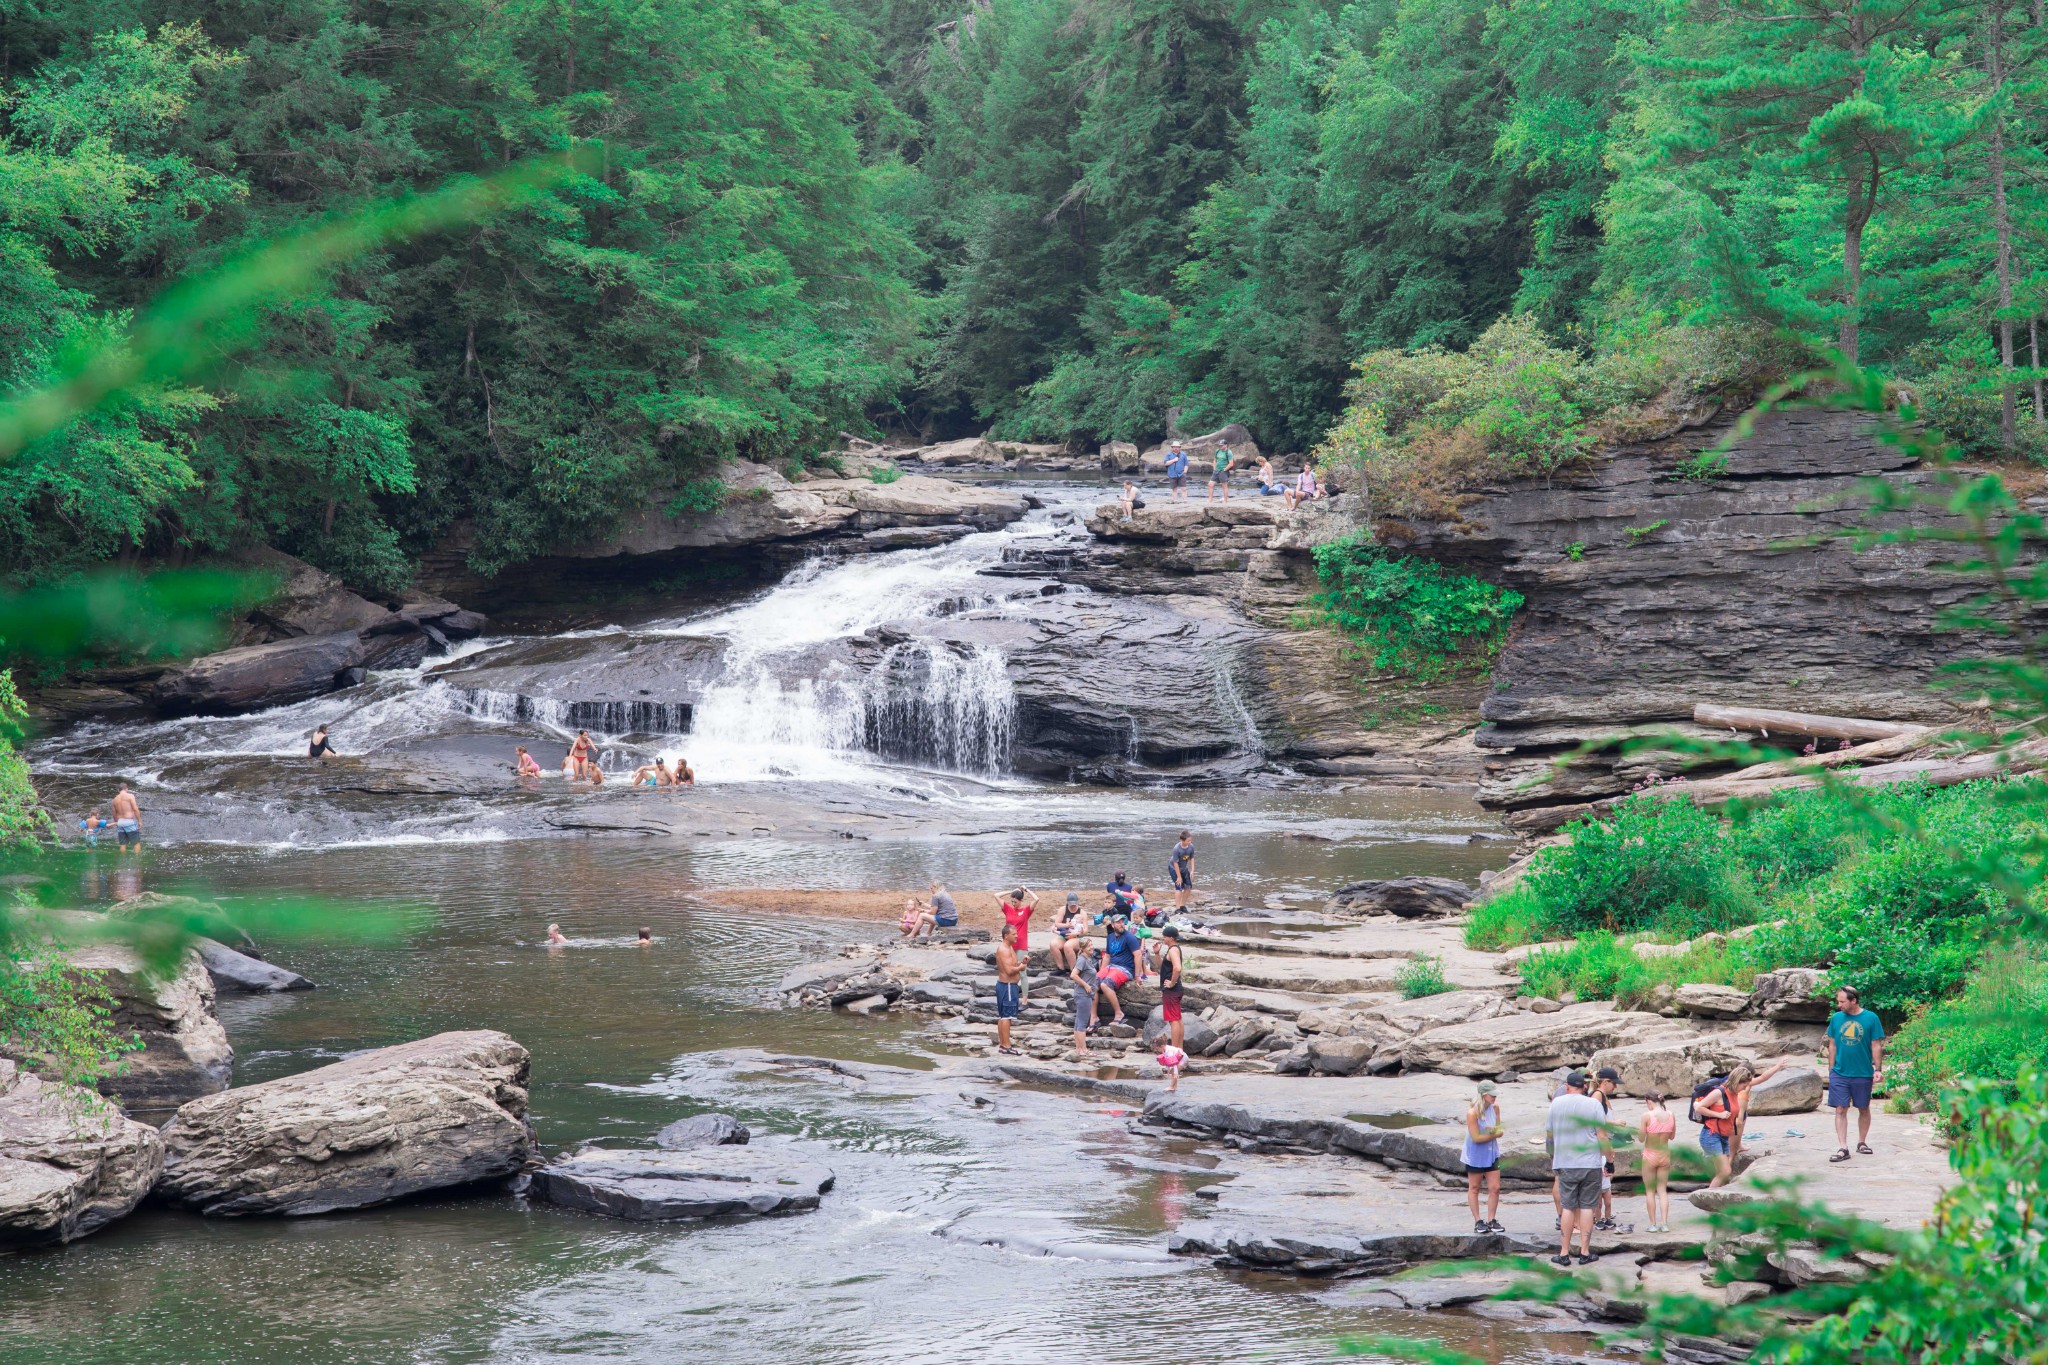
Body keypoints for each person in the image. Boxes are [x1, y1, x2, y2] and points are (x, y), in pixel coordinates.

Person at [1548, 1070, 1610, 1266]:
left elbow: (1550, 1131)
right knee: (1586, 1207)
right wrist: (1609, 1160)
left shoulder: (1556, 1103)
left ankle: (1564, 1253)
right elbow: (1602, 1135)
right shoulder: (1593, 1104)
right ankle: (1584, 1252)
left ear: (1567, 1087)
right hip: (1590, 1162)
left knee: (1567, 1207)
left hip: (1565, 1161)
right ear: (1584, 1087)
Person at [1824, 985, 1886, 1162]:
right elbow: (1833, 1044)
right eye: (1838, 1001)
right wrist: (1831, 1071)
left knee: (1863, 1107)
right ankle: (1843, 1147)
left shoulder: (1871, 1018)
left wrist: (1878, 1069)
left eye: (1842, 1002)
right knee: (1840, 1108)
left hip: (1863, 1072)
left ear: (1854, 1001)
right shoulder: (1836, 1018)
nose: (1839, 1005)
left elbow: (1876, 1045)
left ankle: (1862, 1142)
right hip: (1840, 1072)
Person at [1464, 1080, 1505, 1234]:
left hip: (1492, 1153)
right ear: (1483, 1095)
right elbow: (1476, 1138)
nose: (1494, 1097)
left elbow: (1500, 1131)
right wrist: (1491, 1134)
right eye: (1492, 1095)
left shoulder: (1495, 1108)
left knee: (1495, 1187)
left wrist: (1494, 1131)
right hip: (1475, 1155)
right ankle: (1478, 1221)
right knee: (1474, 1187)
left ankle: (1491, 1220)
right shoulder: (1472, 1113)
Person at [1639, 1093, 1676, 1232]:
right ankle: (1664, 1223)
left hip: (1650, 1155)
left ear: (1648, 1101)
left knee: (1650, 1191)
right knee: (1662, 1190)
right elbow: (1672, 1136)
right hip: (1664, 1154)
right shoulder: (1671, 1114)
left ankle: (1653, 1224)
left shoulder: (1646, 1116)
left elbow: (1641, 1138)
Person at [1592, 1066, 1621, 1230]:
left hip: (1606, 1143)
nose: (1615, 1087)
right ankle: (1598, 1218)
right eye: (1613, 1083)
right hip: (1600, 1146)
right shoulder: (1597, 1096)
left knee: (1605, 1183)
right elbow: (1595, 1120)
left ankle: (1603, 1216)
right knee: (1601, 1183)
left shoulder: (1603, 1096)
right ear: (1605, 1081)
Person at [993, 923, 1024, 1055]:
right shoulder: (1004, 949)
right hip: (1008, 986)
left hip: (1008, 986)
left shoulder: (1009, 947)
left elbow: (1013, 965)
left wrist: (1022, 963)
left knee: (1003, 1016)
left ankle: (1003, 1044)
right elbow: (1009, 970)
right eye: (1014, 934)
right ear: (1006, 936)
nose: (1017, 936)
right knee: (1007, 1016)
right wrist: (1020, 969)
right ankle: (1006, 1046)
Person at [1155, 924, 1186, 1051]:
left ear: (1171, 938)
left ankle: (1174, 1050)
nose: (1163, 938)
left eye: (1165, 936)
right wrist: (1157, 954)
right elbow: (1162, 966)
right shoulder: (1173, 949)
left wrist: (1172, 983)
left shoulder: (1173, 949)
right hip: (1175, 990)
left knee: (1173, 1020)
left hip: (1172, 990)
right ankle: (1180, 1050)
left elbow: (1177, 968)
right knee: (1177, 1018)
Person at [1070, 946, 1100, 1054]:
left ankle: (1079, 1049)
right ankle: (1084, 1050)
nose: (1092, 947)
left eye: (1092, 945)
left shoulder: (1088, 959)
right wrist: (1086, 985)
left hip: (1084, 995)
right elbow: (1073, 975)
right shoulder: (1082, 960)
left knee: (1078, 1023)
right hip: (1083, 995)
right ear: (1082, 949)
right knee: (1082, 1023)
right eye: (1089, 946)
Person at [1049, 892, 1089, 972]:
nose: (1073, 906)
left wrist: (1076, 933)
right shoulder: (1062, 910)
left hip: (1077, 937)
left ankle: (1073, 970)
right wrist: (1067, 925)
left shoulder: (1082, 913)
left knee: (1068, 946)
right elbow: (1057, 923)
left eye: (1074, 904)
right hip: (1065, 935)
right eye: (1071, 905)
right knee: (1053, 944)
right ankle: (1061, 968)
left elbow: (1086, 930)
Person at [999, 887, 1037, 952]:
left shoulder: (1026, 911)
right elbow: (996, 895)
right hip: (1008, 944)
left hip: (1021, 945)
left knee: (1021, 962)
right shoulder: (1008, 909)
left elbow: (1036, 899)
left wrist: (1026, 890)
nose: (1013, 904)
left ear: (1021, 900)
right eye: (1012, 902)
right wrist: (1011, 891)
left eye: (1015, 902)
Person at [1168, 831, 1195, 910]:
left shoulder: (1191, 847)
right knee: (1179, 887)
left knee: (1188, 887)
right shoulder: (1176, 849)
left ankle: (1182, 905)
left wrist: (1192, 870)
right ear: (1182, 840)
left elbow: (1192, 858)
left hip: (1183, 868)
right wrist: (1179, 877)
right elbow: (1175, 863)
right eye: (1188, 841)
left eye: (1190, 841)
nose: (1190, 842)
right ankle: (1177, 908)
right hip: (1174, 868)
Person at [111, 784, 142, 851]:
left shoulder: (114, 800)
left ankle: (123, 859)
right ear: (126, 789)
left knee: (122, 844)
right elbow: (135, 809)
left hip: (120, 822)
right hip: (129, 821)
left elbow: (114, 813)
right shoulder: (130, 796)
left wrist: (116, 822)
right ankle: (137, 859)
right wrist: (139, 821)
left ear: (118, 790)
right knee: (136, 842)